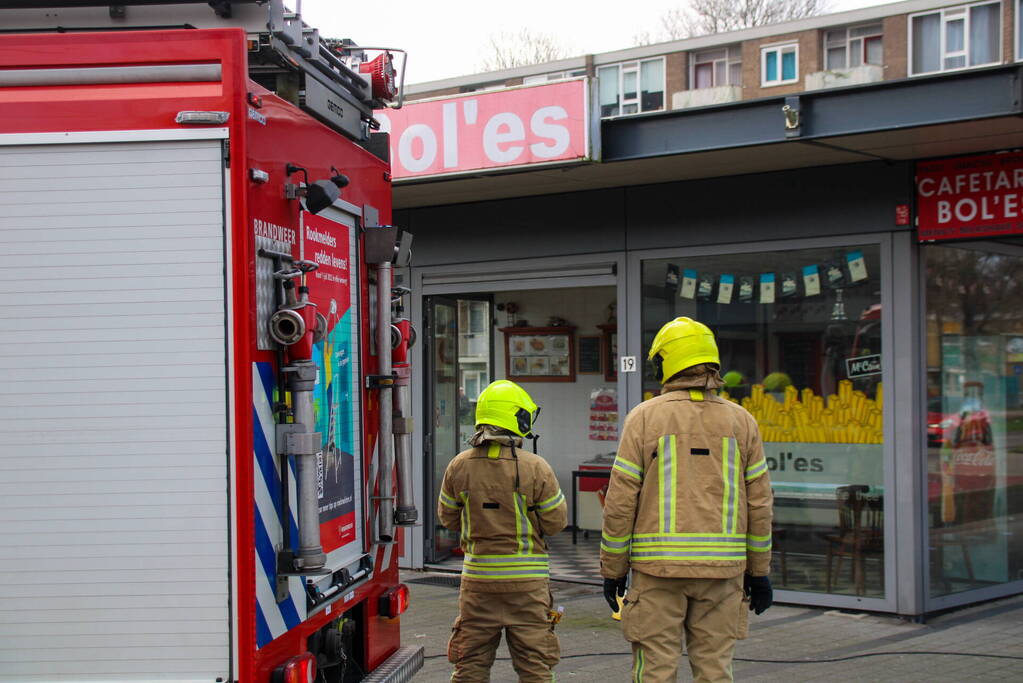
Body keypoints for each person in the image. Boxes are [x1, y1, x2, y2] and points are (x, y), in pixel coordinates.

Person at [601, 317, 774, 683]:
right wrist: (759, 573)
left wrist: (613, 570)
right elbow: (760, 504)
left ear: (666, 362)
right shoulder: (742, 422)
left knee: (656, 673)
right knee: (714, 672)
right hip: (723, 575)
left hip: (656, 572)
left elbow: (620, 502)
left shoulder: (644, 418)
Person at [438, 379, 568, 683]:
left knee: (469, 666)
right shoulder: (536, 467)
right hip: (527, 586)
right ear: (518, 418)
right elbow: (556, 523)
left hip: (478, 585)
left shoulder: (458, 466)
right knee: (535, 667)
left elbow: (448, 519)